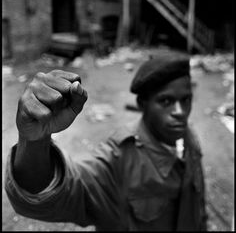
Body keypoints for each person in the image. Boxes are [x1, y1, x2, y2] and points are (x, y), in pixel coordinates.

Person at [5, 49, 207, 231]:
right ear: (142, 103)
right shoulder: (118, 158)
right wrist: (34, 142)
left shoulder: (188, 137)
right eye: (166, 101)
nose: (180, 113)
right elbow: (62, 193)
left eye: (186, 100)